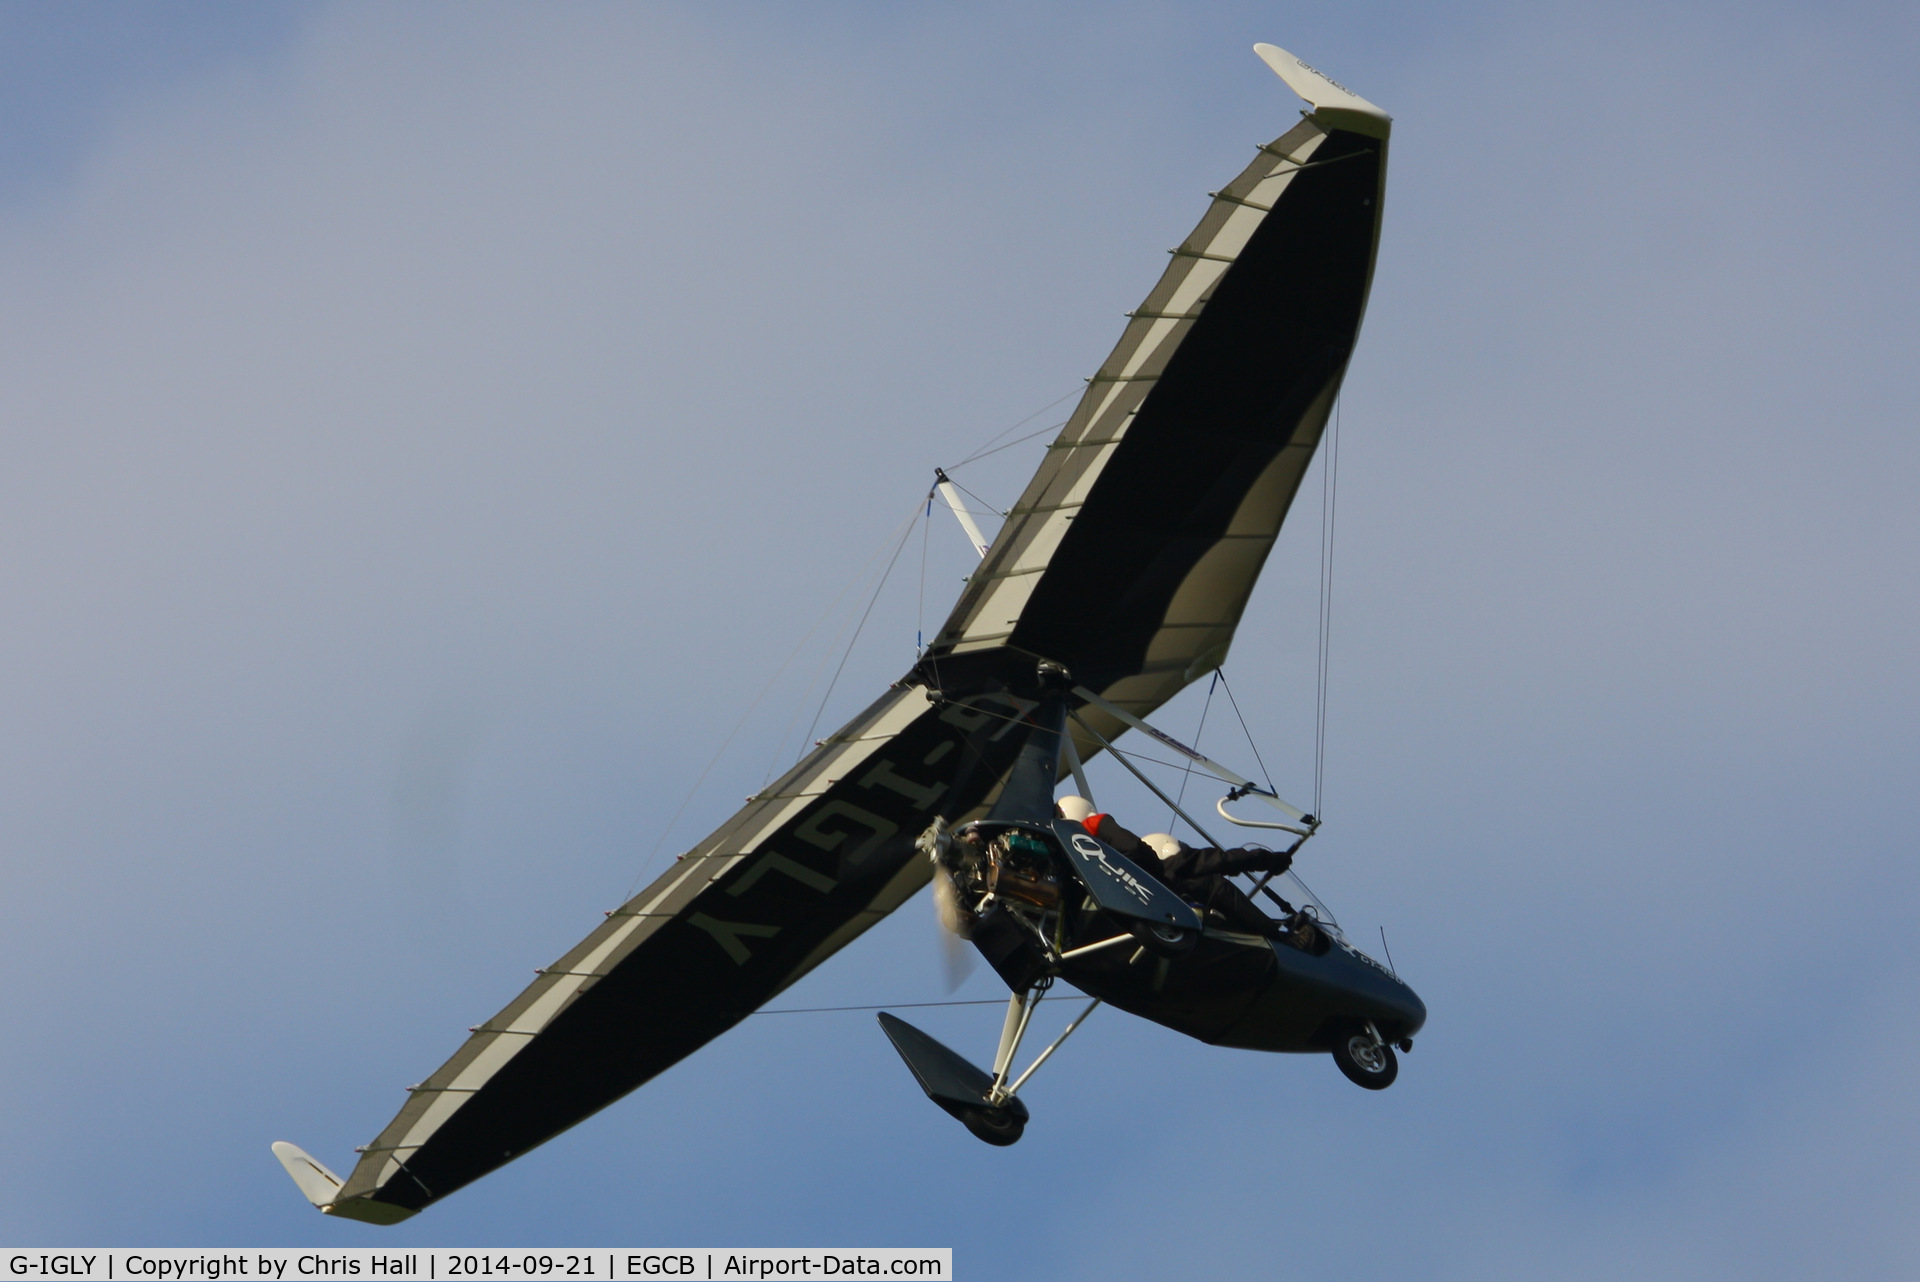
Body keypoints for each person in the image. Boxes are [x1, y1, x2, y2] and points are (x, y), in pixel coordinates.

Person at [1056, 795, 1307, 940]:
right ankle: (1283, 940)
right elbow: (1224, 860)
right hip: (1167, 915)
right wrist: (1266, 859)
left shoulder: (1084, 866)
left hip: (1125, 923)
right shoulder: (1168, 866)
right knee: (1216, 885)